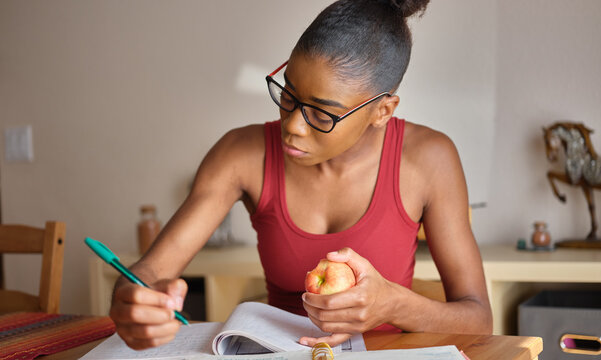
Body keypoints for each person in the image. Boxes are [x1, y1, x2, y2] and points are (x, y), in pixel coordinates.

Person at [110, 0, 492, 350]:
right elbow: (150, 271)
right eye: (288, 97)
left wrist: (392, 305)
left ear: (383, 111)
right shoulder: (239, 154)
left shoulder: (430, 160)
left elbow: (479, 320)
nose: (292, 127)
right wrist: (131, 297)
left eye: (323, 115)